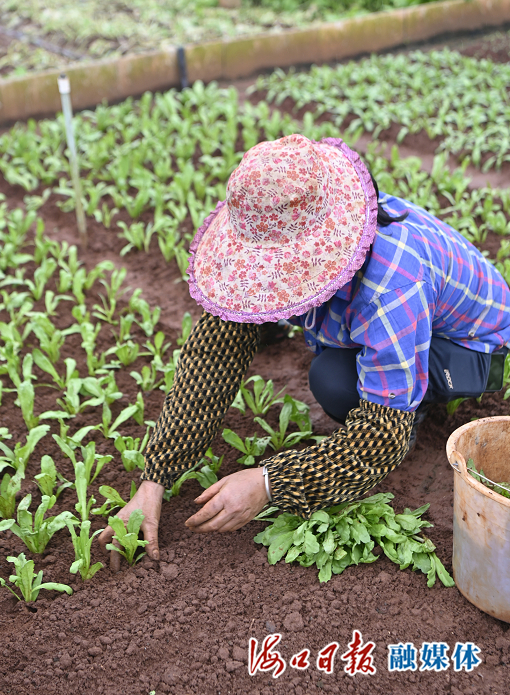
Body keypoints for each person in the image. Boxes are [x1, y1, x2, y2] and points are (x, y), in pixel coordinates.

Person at [98, 134, 510, 570]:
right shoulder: (298, 222)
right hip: (402, 313)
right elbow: (212, 357)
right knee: (254, 322)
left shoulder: (391, 289)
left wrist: (269, 483)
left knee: (332, 380)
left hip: (469, 349)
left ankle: (422, 405)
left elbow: (377, 439)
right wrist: (155, 478)